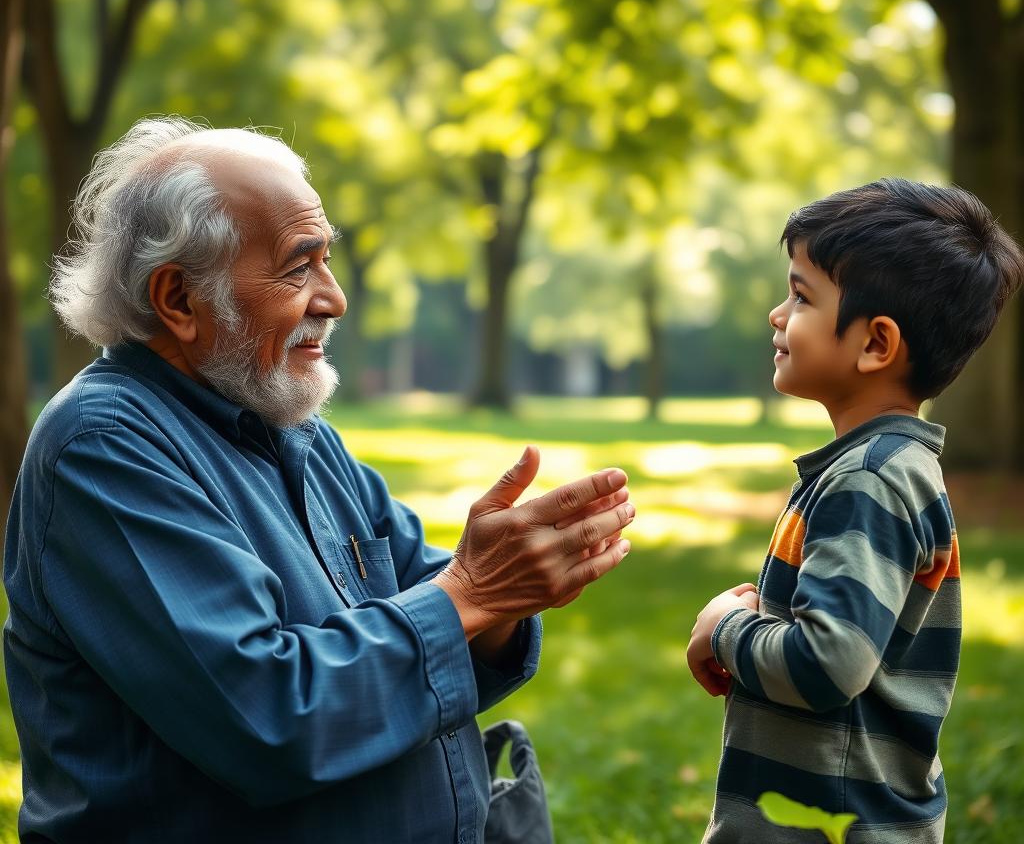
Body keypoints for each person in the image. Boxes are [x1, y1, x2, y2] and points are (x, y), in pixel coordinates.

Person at [4, 116, 636, 844]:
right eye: (299, 267)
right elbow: (267, 719)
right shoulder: (104, 445)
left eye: (326, 261)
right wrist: (473, 593)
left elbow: (431, 603)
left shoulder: (289, 425)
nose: (333, 298)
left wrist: (503, 593)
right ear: (179, 299)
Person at [686, 179, 1024, 843]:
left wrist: (724, 627)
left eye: (801, 296)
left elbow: (827, 662)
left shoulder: (870, 482)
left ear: (876, 344)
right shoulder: (878, 469)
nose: (776, 315)